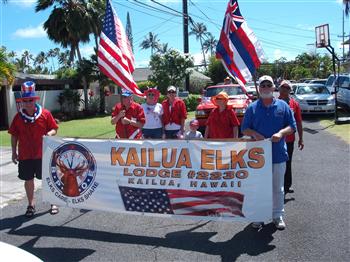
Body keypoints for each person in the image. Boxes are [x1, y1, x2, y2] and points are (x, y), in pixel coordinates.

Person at [241, 75, 296, 230]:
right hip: (257, 156)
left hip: (278, 154)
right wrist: (254, 133)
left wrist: (281, 133)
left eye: (268, 85)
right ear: (259, 89)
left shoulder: (283, 106)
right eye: (262, 85)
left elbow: (292, 126)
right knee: (258, 187)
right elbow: (244, 128)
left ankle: (277, 215)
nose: (265, 87)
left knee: (277, 188)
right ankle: (258, 216)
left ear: (274, 88)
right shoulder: (252, 107)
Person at [8, 81, 59, 218]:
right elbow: (14, 135)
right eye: (25, 100)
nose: (28, 103)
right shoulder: (18, 118)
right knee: (28, 180)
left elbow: (54, 128)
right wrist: (14, 152)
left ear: (34, 99)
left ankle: (53, 202)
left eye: (30, 100)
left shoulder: (45, 114)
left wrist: (49, 134)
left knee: (48, 180)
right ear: (22, 102)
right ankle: (31, 204)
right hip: (25, 155)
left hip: (43, 154)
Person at [278, 80, 304, 194]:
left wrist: (301, 138)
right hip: (276, 140)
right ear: (279, 89)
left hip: (289, 139)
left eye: (287, 88)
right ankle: (276, 185)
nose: (284, 89)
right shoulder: (272, 102)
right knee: (275, 163)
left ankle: (287, 185)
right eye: (282, 87)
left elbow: (298, 122)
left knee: (288, 162)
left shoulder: (295, 104)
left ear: (290, 90)